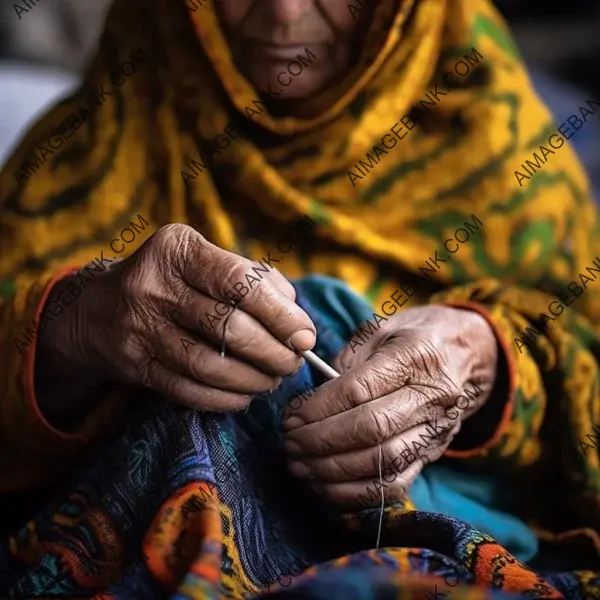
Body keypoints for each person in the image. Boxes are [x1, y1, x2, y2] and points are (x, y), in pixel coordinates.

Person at [0, 0, 599, 598]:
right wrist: (71, 328)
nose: (283, 15)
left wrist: (481, 359)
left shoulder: (512, 162)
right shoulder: (79, 152)